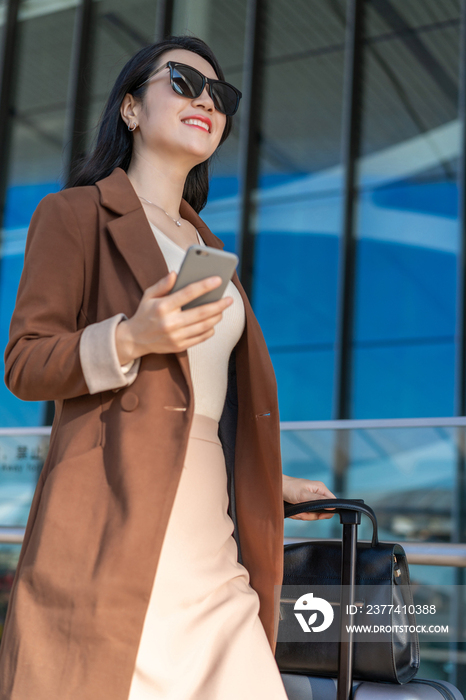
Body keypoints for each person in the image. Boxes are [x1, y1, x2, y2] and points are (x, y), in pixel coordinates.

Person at [0, 35, 335, 700]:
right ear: (130, 109)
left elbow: (209, 405)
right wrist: (129, 338)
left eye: (221, 94)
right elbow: (25, 362)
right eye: (182, 81)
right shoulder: (76, 214)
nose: (206, 99)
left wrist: (271, 478)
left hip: (215, 544)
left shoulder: (207, 245)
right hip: (113, 529)